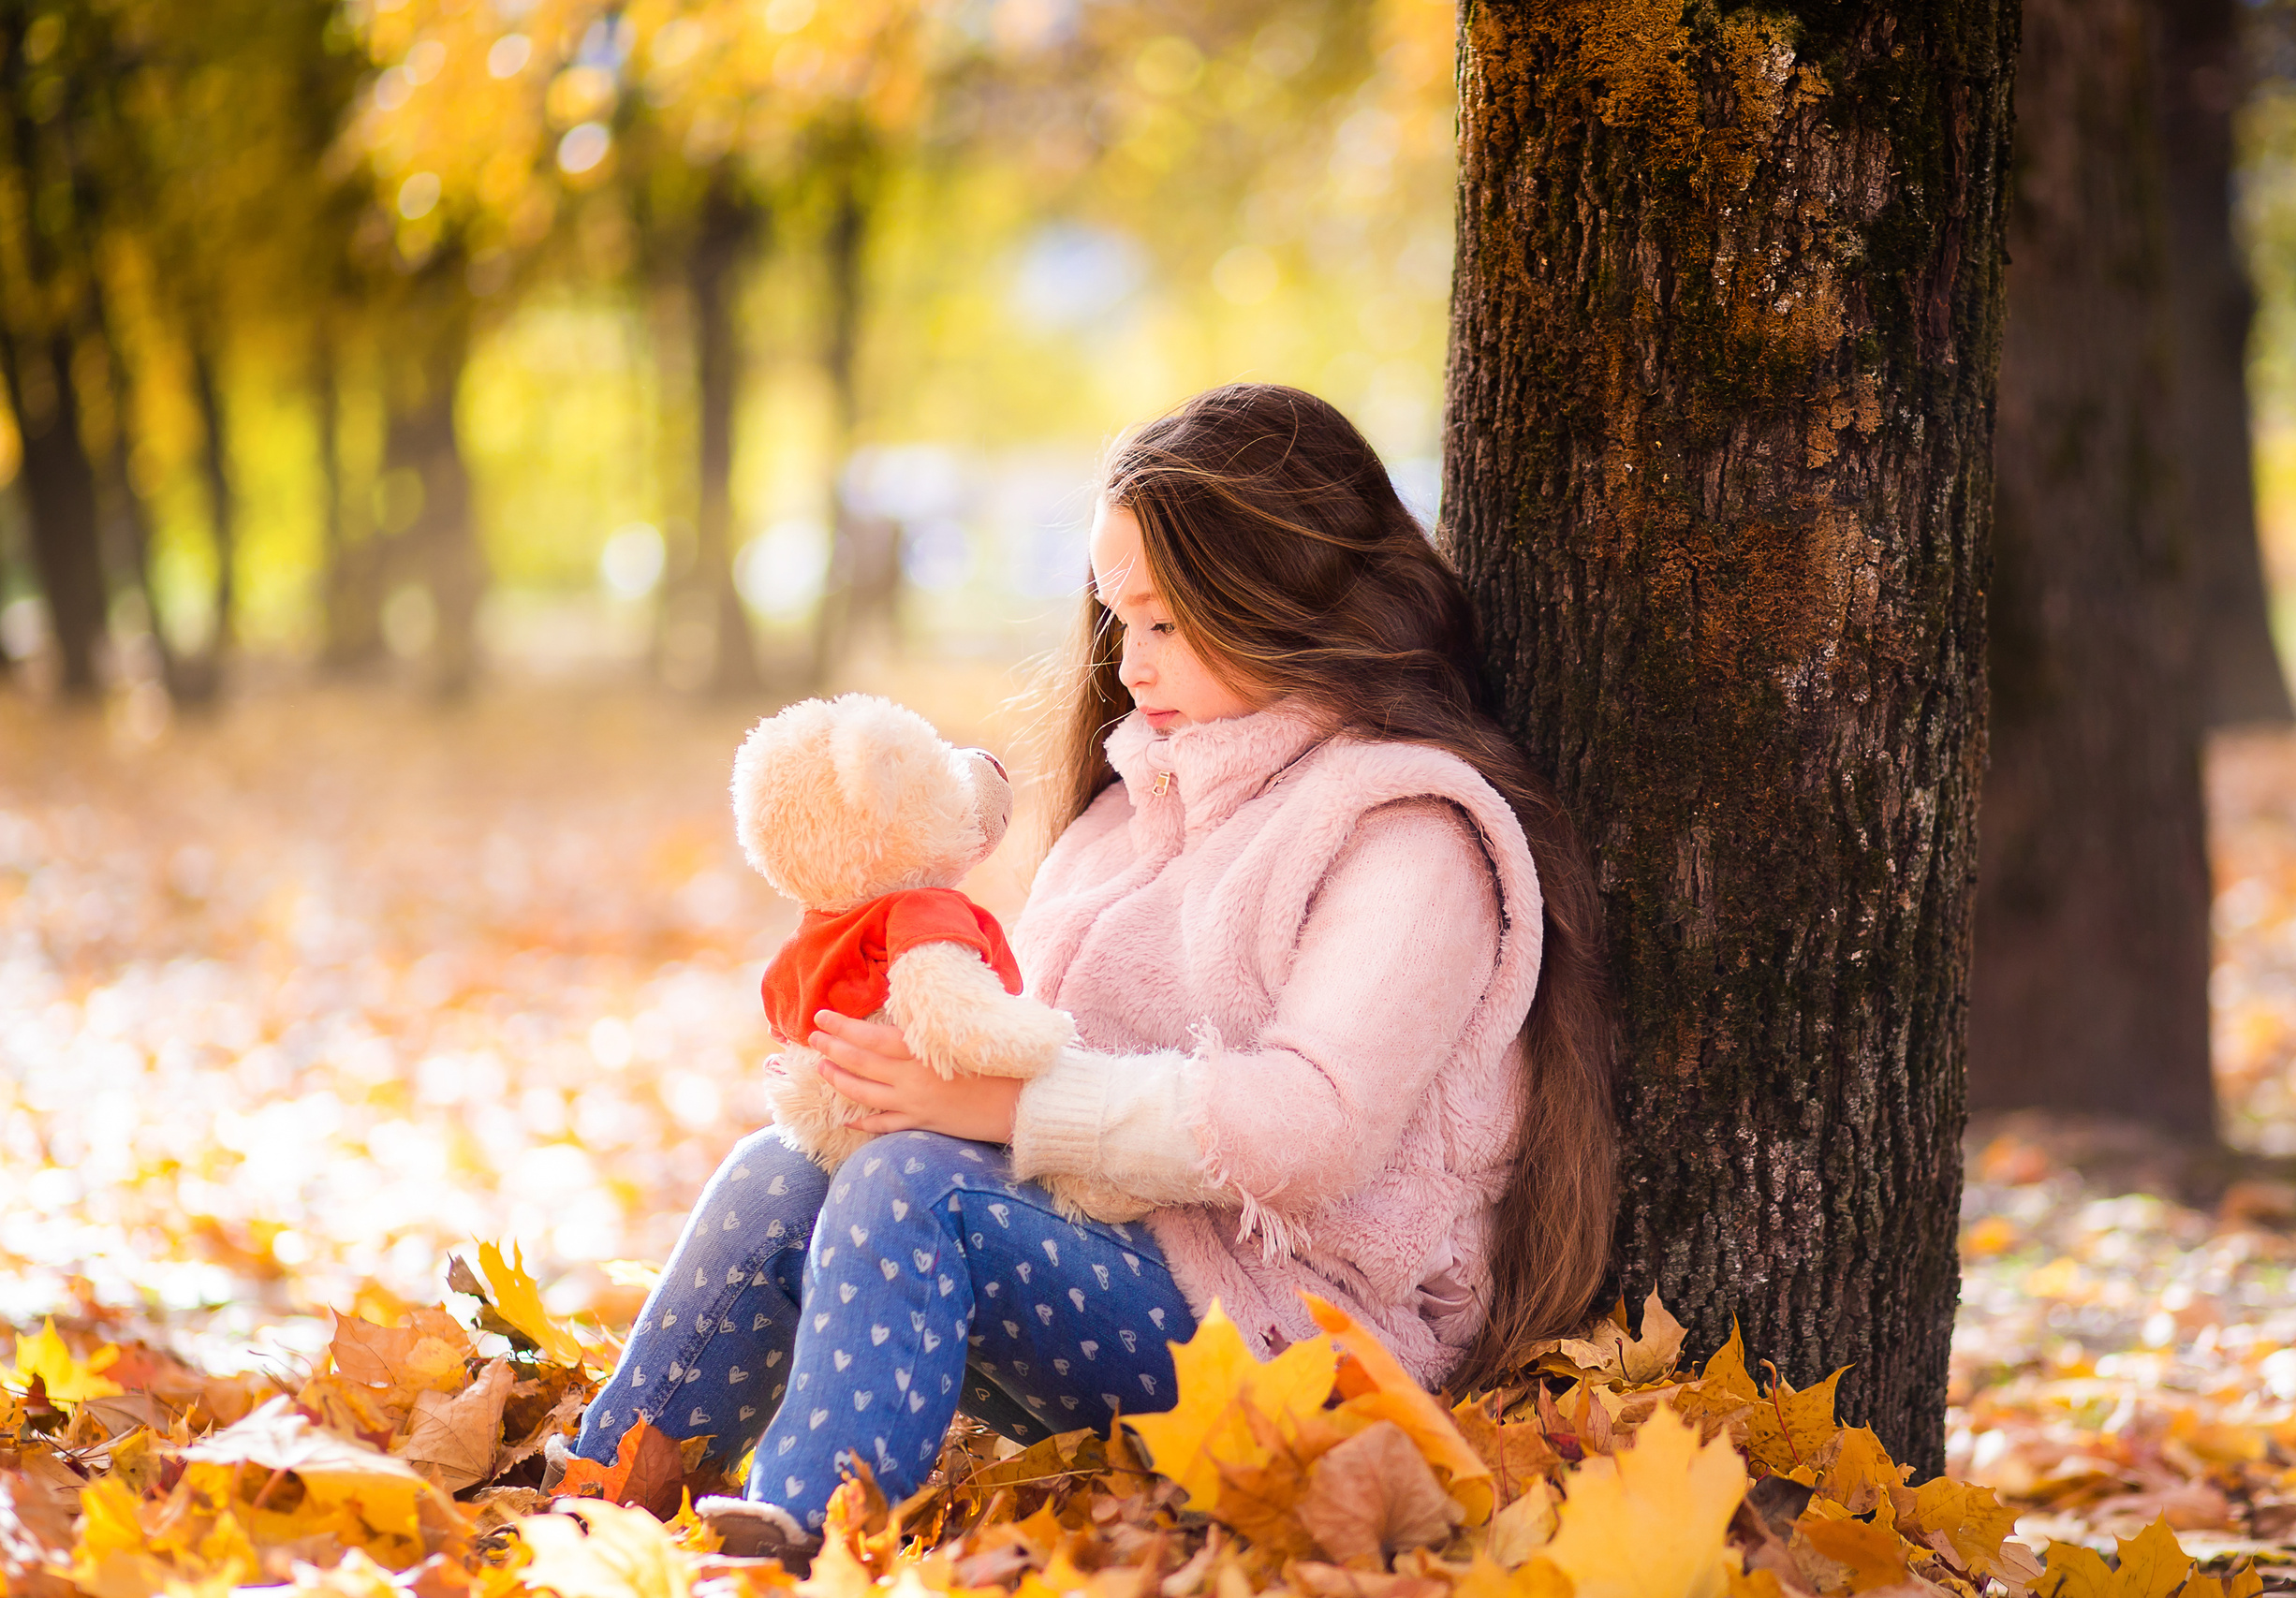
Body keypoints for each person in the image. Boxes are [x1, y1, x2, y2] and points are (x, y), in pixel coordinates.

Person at [564, 383, 1619, 1562]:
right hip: (1135, 1277)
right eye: (1119, 621)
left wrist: (1004, 1110)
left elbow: (1307, 1128)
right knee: (784, 1170)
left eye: (1167, 623)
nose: (1128, 664)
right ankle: (598, 1495)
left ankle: (802, 1547)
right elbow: (1050, 1053)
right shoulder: (1135, 809)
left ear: (1280, 599)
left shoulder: (1408, 837)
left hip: (1300, 1351)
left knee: (921, 1188)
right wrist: (918, 1064)